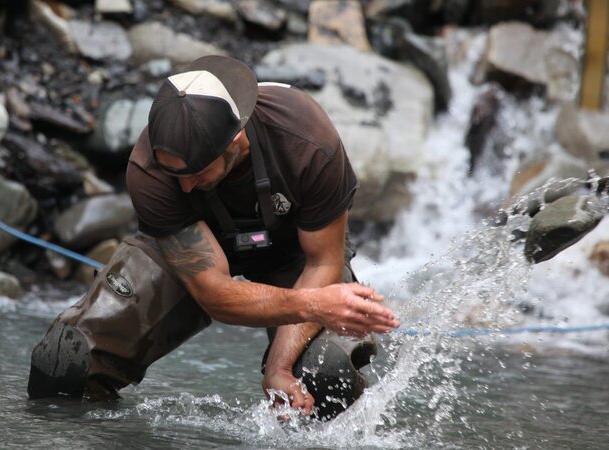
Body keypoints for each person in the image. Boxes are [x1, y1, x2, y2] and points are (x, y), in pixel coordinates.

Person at [27, 55, 400, 420]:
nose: (186, 186)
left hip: (296, 256)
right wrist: (315, 305)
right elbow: (216, 296)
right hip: (186, 253)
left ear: (235, 141)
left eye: (197, 172)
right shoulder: (151, 169)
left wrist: (279, 367)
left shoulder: (307, 141)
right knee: (65, 361)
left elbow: (322, 262)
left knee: (329, 374)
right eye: (176, 175)